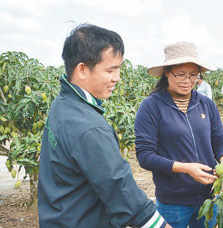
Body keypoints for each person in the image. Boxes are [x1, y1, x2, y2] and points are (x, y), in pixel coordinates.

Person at [38, 24, 170, 228]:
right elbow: (121, 190)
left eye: (119, 68)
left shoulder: (63, 104)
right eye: (111, 69)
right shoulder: (88, 127)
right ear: (82, 69)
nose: (117, 77)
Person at [134, 41, 223, 228]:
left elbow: (219, 140)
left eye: (193, 75)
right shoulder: (151, 106)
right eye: (180, 75)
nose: (187, 81)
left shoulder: (207, 104)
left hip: (209, 197)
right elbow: (145, 156)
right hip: (173, 201)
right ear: (166, 72)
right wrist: (186, 168)